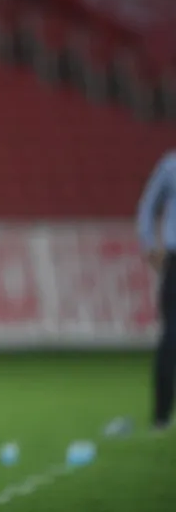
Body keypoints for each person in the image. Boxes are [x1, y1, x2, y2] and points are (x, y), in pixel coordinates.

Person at [136, 149, 176, 432]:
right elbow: (148, 208)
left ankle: (160, 418)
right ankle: (161, 415)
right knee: (171, 336)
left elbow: (147, 207)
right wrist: (149, 245)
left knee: (170, 337)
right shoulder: (170, 166)